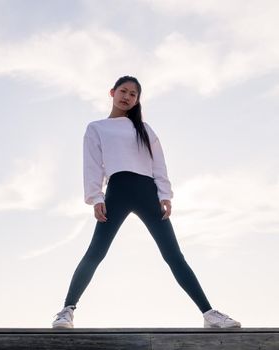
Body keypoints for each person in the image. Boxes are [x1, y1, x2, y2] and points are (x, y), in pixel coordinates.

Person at [51, 75, 241, 329]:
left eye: (133, 94)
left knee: (174, 255)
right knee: (96, 252)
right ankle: (67, 310)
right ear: (112, 92)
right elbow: (92, 165)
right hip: (117, 191)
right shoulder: (97, 128)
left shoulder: (144, 129)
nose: (127, 96)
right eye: (123, 91)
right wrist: (95, 196)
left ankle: (209, 314)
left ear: (137, 99)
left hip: (147, 192)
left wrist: (165, 195)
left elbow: (158, 163)